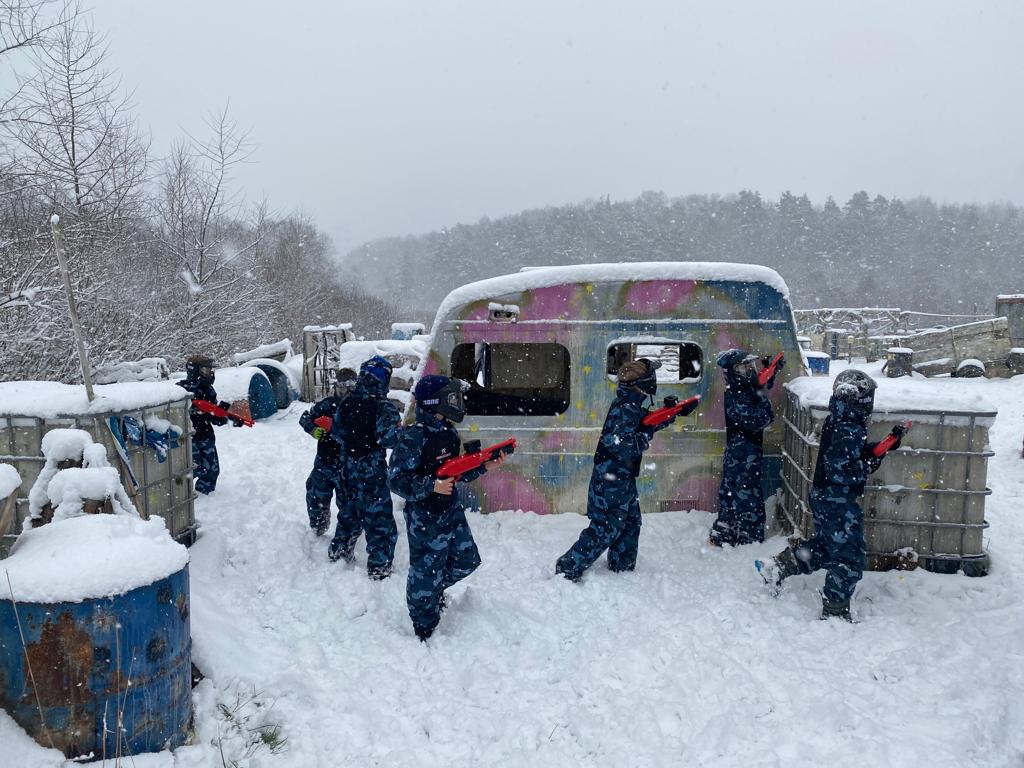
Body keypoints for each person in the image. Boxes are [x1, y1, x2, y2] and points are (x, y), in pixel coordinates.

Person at [756, 369, 896, 621]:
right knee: (849, 558)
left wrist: (879, 449)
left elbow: (846, 456)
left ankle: (776, 567)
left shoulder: (842, 419)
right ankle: (835, 613)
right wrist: (869, 464)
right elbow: (841, 469)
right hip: (837, 501)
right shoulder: (849, 427)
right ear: (858, 399)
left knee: (828, 548)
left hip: (827, 497)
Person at [555, 358, 696, 582]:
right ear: (644, 383)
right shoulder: (625, 408)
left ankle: (622, 567)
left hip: (621, 478)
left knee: (630, 523)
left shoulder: (630, 403)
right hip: (611, 481)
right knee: (605, 528)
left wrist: (673, 412)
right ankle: (568, 567)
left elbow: (646, 422)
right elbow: (622, 443)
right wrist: (646, 435)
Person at [388, 374, 504, 640]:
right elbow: (396, 480)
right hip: (425, 518)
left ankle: (432, 593)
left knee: (466, 560)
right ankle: (423, 626)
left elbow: (455, 472)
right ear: (434, 402)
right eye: (451, 398)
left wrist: (485, 465)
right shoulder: (413, 437)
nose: (456, 403)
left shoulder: (448, 432)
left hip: (450, 510)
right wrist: (431, 486)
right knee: (424, 573)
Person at [327, 356, 402, 579]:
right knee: (380, 521)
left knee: (350, 512)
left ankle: (339, 552)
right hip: (372, 472)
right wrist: (405, 433)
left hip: (347, 468)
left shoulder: (347, 402)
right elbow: (389, 439)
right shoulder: (384, 407)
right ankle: (379, 567)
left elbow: (336, 433)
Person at [708, 349, 783, 547]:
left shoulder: (743, 389)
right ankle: (748, 539)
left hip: (742, 453)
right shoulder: (737, 395)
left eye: (751, 367)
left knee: (732, 493)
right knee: (746, 495)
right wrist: (763, 397)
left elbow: (756, 387)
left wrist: (771, 372)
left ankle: (725, 532)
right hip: (742, 456)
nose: (750, 371)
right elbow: (763, 418)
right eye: (744, 368)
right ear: (733, 372)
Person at [298, 367, 357, 536]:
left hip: (348, 466)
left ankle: (347, 535)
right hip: (324, 462)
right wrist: (313, 429)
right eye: (342, 387)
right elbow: (305, 417)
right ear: (336, 386)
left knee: (348, 504)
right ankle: (318, 527)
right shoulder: (327, 404)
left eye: (350, 387)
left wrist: (335, 429)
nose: (346, 391)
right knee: (315, 496)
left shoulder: (359, 407)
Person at [177, 354, 241, 494]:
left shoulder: (209, 390)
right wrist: (194, 411)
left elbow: (214, 417)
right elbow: (175, 414)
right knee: (189, 469)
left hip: (205, 436)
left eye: (211, 370)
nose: (210, 373)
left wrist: (226, 416)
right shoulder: (181, 390)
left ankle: (204, 495)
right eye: (206, 370)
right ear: (195, 370)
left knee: (211, 470)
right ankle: (181, 497)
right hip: (187, 438)